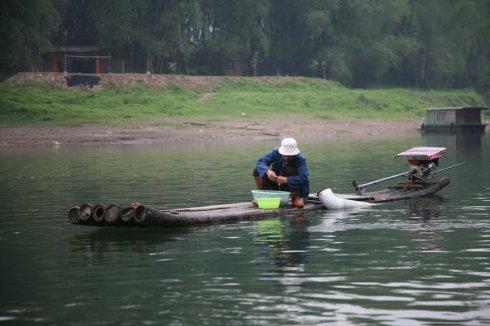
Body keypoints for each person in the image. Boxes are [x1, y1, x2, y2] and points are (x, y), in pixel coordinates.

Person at [253, 138, 309, 208]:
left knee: (290, 169)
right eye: (284, 154)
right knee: (257, 170)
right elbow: (260, 162)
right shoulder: (275, 153)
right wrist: (268, 171)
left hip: (293, 188)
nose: (286, 157)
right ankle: (263, 196)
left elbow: (304, 178)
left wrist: (285, 180)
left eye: (289, 155)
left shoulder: (300, 159)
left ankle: (295, 198)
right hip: (276, 183)